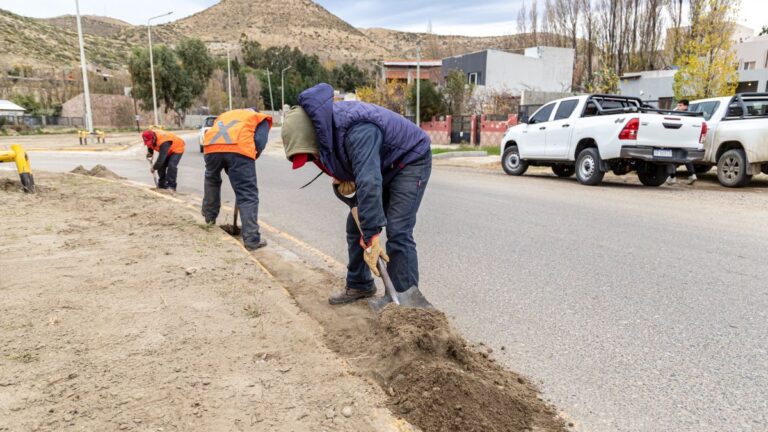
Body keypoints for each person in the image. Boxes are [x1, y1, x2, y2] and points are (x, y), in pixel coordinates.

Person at [281, 83, 432, 306]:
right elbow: (352, 166)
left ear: (313, 136)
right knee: (355, 227)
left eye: (310, 156)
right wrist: (343, 177)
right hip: (382, 164)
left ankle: (405, 302)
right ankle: (360, 284)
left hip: (409, 160)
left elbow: (369, 181)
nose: (313, 161)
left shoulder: (358, 130)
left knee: (398, 229)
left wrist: (372, 235)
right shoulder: (325, 134)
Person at [201, 108, 272, 251]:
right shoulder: (259, 117)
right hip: (239, 150)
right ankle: (252, 240)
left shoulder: (225, 114)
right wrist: (249, 159)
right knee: (247, 195)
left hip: (211, 148)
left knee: (212, 181)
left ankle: (209, 220)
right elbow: (259, 141)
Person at [668, 99, 697, 185]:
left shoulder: (679, 114)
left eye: (680, 105)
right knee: (686, 157)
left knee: (671, 156)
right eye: (678, 105)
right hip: (686, 140)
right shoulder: (692, 115)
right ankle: (692, 175)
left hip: (676, 139)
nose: (678, 107)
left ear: (686, 106)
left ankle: (672, 177)